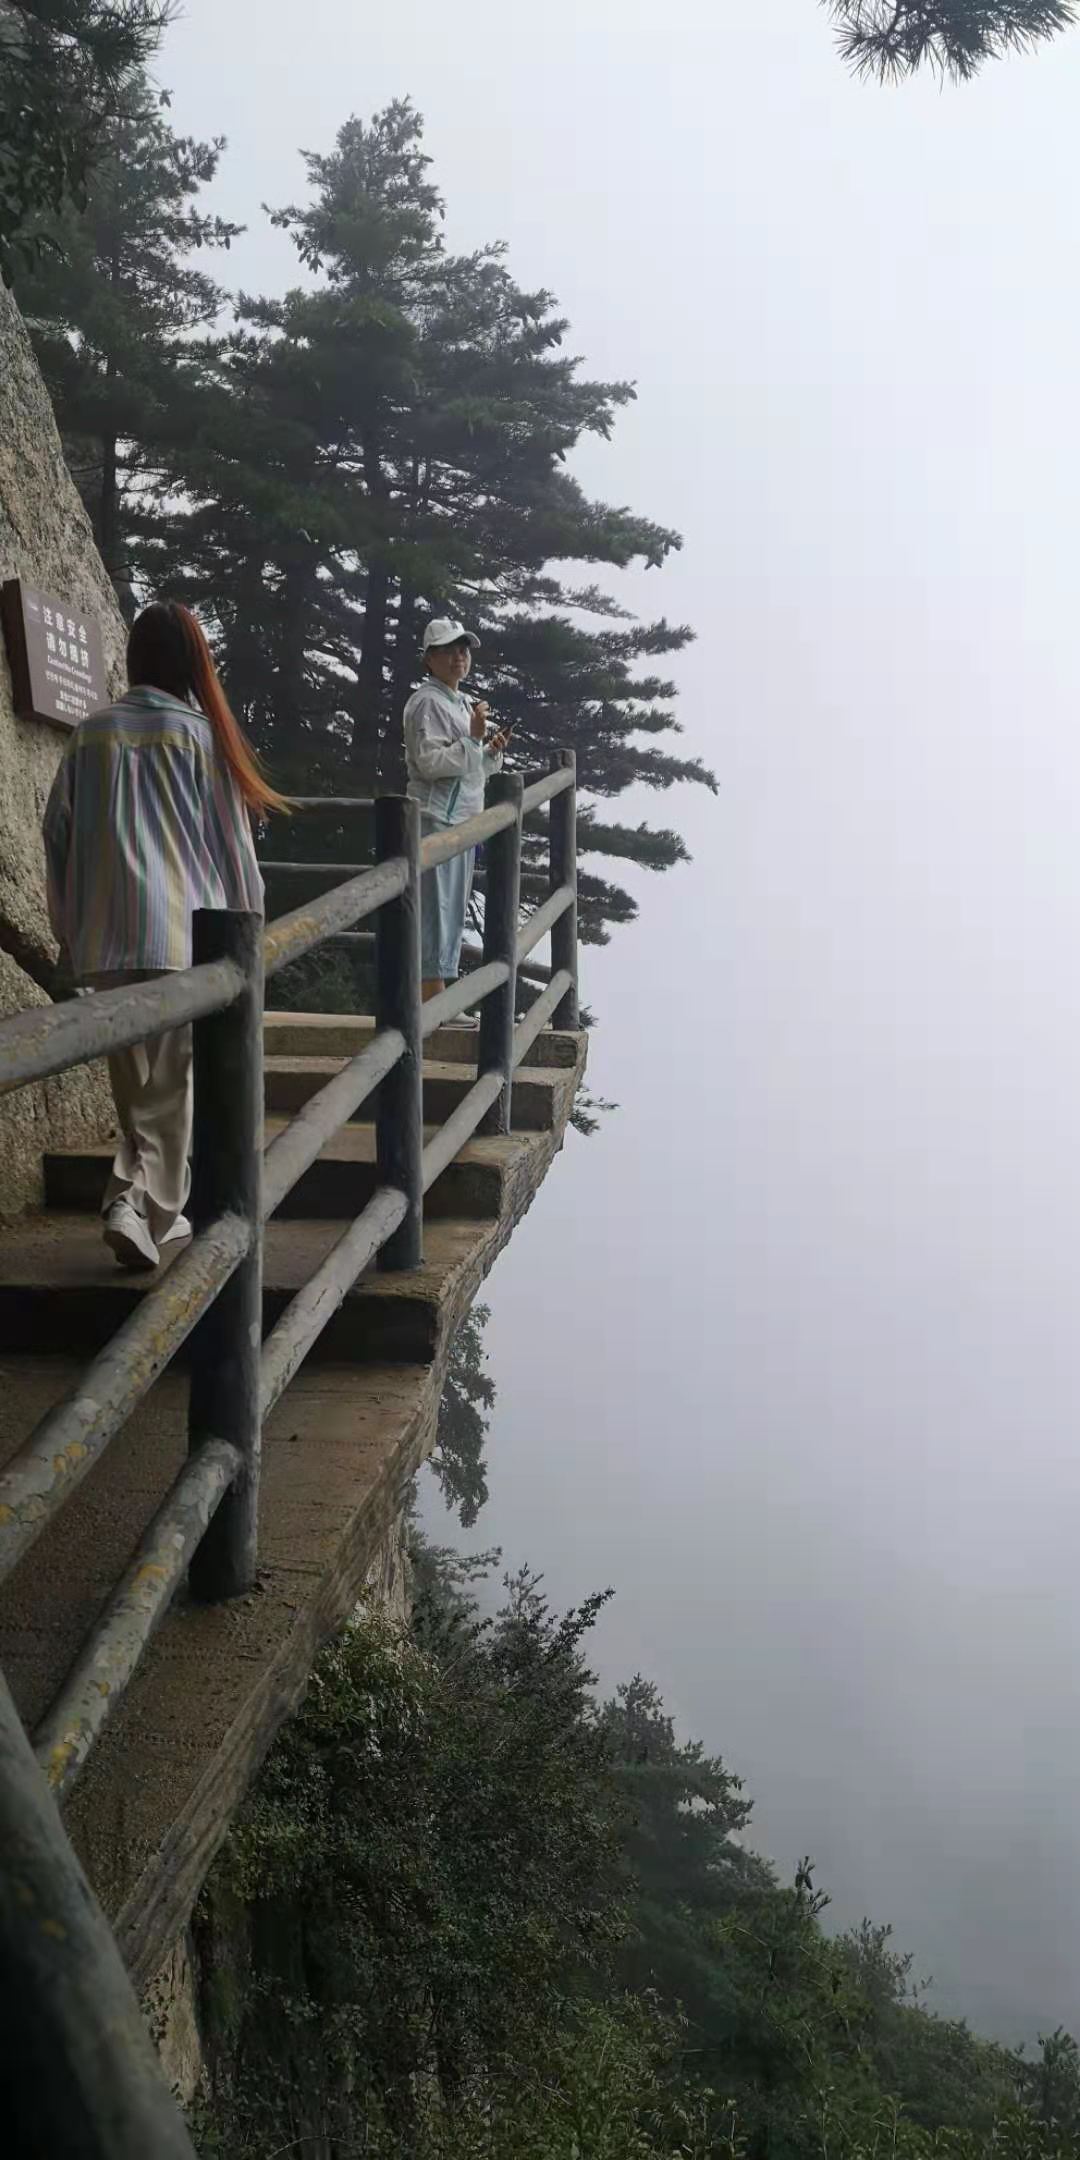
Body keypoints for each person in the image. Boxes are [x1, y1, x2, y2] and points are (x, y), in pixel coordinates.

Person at [43, 600, 283, 1273]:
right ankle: (130, 1201)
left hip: (105, 938)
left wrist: (70, 931)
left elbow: (56, 836)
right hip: (187, 936)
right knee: (170, 1086)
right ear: (190, 663)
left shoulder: (90, 734)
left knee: (142, 1088)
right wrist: (249, 944)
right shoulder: (203, 738)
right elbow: (235, 854)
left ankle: (153, 1214)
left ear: (134, 657)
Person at [403, 617, 509, 1004]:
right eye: (448, 650)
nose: (458, 657)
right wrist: (474, 740)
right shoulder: (425, 702)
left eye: (463, 649)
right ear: (429, 659)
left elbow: (471, 767)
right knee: (435, 910)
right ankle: (433, 1004)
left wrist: (490, 751)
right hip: (436, 820)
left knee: (450, 912)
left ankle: (437, 1001)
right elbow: (430, 764)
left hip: (462, 822)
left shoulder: (463, 702)